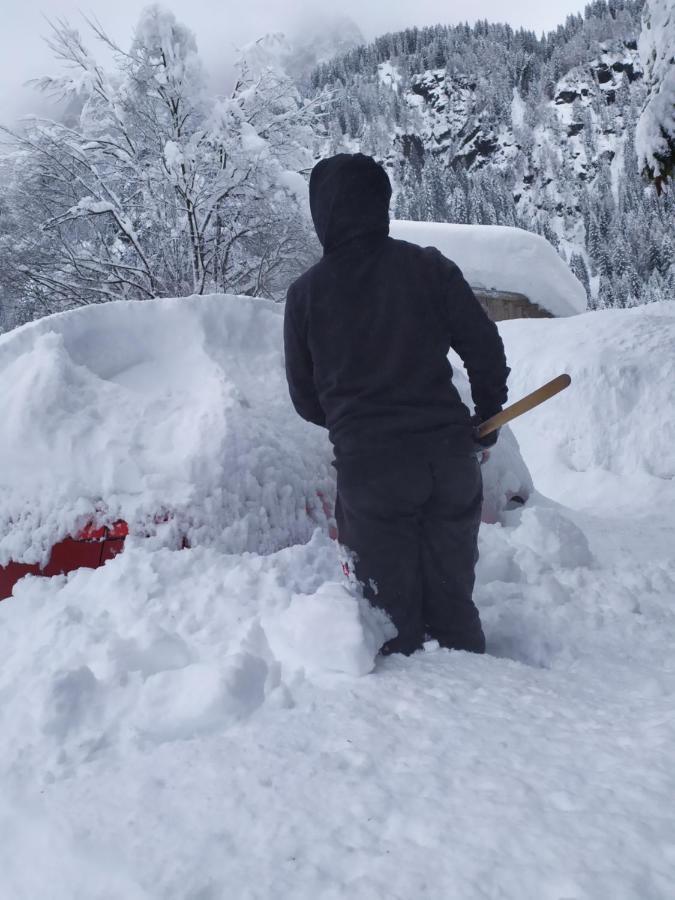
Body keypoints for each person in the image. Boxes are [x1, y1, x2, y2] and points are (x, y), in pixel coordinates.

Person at [283, 153, 510, 656]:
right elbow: (485, 347)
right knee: (453, 610)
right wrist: (487, 418)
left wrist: (351, 424)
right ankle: (485, 707)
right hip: (449, 461)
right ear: (380, 203)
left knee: (392, 625)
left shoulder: (305, 296)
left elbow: (304, 397)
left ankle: (414, 722)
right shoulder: (428, 268)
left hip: (373, 474)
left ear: (323, 212)